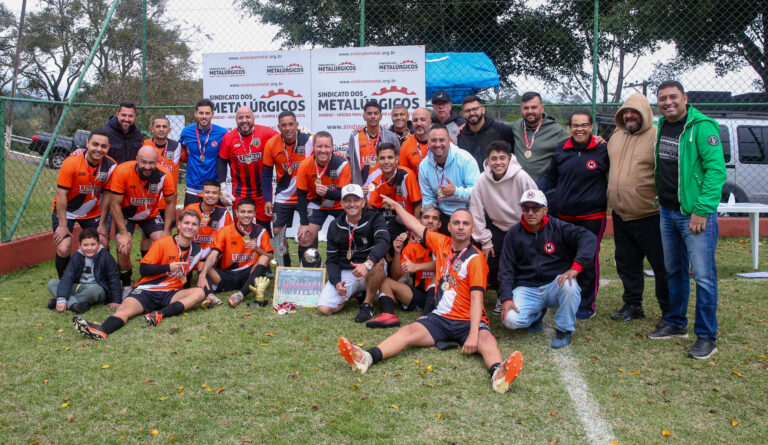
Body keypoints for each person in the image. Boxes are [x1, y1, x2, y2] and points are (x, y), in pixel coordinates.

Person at [338, 196, 523, 395]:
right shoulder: (441, 243)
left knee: (487, 340)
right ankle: (367, 357)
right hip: (440, 319)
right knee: (408, 332)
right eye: (456, 223)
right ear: (449, 228)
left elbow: (477, 300)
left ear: (472, 229)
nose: (461, 227)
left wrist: (473, 335)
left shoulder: (476, 259)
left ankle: (499, 375)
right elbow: (415, 226)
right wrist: (397, 208)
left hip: (468, 320)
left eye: (466, 224)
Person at [646, 80, 726, 360]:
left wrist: (702, 210)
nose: (667, 102)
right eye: (662, 98)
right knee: (674, 271)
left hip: (694, 215)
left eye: (672, 97)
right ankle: (676, 322)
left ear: (685, 98)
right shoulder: (661, 127)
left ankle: (706, 336)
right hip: (667, 211)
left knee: (703, 276)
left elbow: (716, 171)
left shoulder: (703, 127)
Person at [72, 210, 206, 340]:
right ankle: (102, 330)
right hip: (147, 291)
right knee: (124, 310)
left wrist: (202, 278)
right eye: (186, 223)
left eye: (194, 224)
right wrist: (168, 267)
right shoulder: (163, 243)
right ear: (179, 225)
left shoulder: (198, 250)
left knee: (199, 293)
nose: (190, 227)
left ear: (198, 228)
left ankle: (159, 314)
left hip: (171, 294)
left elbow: (188, 274)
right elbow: (144, 269)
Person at [498, 190, 596, 349]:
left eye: (536, 208)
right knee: (510, 320)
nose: (530, 212)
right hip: (527, 287)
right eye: (525, 208)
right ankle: (536, 315)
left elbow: (588, 238)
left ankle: (564, 330)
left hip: (554, 284)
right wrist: (506, 298)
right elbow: (506, 269)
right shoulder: (513, 234)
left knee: (570, 286)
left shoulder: (559, 227)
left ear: (545, 209)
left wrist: (576, 267)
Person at [537, 112, 608, 320]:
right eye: (575, 125)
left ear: (591, 126)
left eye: (584, 125)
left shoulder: (603, 150)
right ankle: (565, 297)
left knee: (587, 258)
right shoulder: (562, 149)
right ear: (569, 127)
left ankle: (586, 304)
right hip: (564, 215)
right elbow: (551, 176)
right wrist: (537, 192)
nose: (579, 129)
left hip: (592, 216)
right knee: (564, 259)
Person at [607, 94, 670, 324]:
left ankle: (669, 311)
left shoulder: (657, 136)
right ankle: (633, 305)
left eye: (635, 112)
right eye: (625, 112)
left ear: (645, 113)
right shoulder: (617, 136)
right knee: (627, 263)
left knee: (661, 266)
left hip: (649, 215)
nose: (630, 116)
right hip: (621, 214)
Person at [469, 140, 537, 312]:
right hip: (497, 227)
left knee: (523, 262)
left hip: (522, 226)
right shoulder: (482, 180)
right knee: (490, 259)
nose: (498, 162)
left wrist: (533, 229)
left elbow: (535, 201)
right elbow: (476, 210)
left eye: (502, 158)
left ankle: (525, 296)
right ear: (488, 161)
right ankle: (502, 295)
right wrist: (485, 239)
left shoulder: (521, 176)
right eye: (494, 158)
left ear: (509, 159)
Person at [108, 146, 177, 297]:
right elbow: (114, 204)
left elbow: (171, 202)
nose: (147, 167)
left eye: (152, 163)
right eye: (144, 162)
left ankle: (154, 276)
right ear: (137, 159)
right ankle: (126, 284)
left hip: (150, 214)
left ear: (157, 161)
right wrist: (124, 233)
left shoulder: (164, 174)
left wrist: (166, 231)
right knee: (123, 247)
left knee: (165, 243)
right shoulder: (122, 171)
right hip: (127, 215)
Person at [316, 184, 389, 322]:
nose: (352, 204)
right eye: (347, 200)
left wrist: (367, 264)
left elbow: (383, 242)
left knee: (379, 261)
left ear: (363, 202)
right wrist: (337, 282)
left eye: (356, 200)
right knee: (324, 308)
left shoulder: (375, 218)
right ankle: (356, 293)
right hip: (349, 271)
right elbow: (331, 259)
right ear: (342, 203)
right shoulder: (335, 225)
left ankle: (368, 303)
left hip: (371, 268)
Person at [51, 129, 115, 277]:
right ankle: (66, 282)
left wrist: (103, 223)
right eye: (95, 144)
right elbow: (61, 195)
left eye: (103, 146)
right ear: (87, 143)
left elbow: (107, 197)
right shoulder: (71, 162)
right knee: (63, 248)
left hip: (92, 212)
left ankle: (101, 278)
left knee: (103, 243)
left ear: (108, 147)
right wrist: (62, 225)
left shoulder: (111, 166)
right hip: (66, 211)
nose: (99, 149)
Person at [365, 205, 440, 328]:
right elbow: (396, 276)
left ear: (440, 224)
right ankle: (387, 315)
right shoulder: (412, 246)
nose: (430, 221)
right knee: (386, 282)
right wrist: (398, 252)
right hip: (421, 295)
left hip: (442, 296)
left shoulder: (446, 242)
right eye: (426, 217)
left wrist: (416, 267)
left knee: (437, 274)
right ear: (419, 221)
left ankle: (427, 315)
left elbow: (442, 265)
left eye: (434, 218)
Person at [197, 198, 273, 308]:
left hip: (248, 276)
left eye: (250, 212)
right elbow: (213, 255)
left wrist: (258, 250)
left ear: (255, 214)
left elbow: (270, 258)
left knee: (264, 258)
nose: (246, 215)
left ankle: (240, 295)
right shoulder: (225, 231)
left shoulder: (261, 231)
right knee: (201, 265)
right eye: (243, 212)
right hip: (227, 275)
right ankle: (210, 297)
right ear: (237, 213)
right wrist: (202, 275)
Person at [262, 110, 314, 266]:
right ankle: (284, 265)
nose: (288, 128)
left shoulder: (309, 140)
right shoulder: (271, 144)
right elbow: (265, 174)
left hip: (306, 195)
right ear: (279, 127)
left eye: (291, 124)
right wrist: (267, 200)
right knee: (277, 233)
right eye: (284, 125)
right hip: (283, 196)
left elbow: (325, 152)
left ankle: (307, 265)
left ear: (297, 125)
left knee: (307, 233)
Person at [218, 106, 279, 232]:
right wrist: (222, 187)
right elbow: (222, 161)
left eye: (247, 117)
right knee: (240, 227)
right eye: (240, 117)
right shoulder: (229, 137)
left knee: (265, 228)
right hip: (240, 191)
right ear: (236, 120)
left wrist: (300, 132)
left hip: (262, 191)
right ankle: (241, 251)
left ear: (253, 118)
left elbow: (284, 138)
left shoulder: (266, 132)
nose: (244, 120)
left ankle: (264, 251)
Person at [296, 131, 352, 267]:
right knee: (305, 236)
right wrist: (303, 224)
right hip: (316, 204)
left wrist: (328, 192)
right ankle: (312, 265)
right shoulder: (305, 165)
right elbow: (301, 197)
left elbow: (344, 194)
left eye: (326, 147)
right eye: (319, 147)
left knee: (347, 236)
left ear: (332, 147)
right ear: (314, 147)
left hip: (339, 204)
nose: (323, 150)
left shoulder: (342, 164)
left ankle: (347, 265)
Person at [418, 125, 480, 232]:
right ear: (428, 142)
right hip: (442, 214)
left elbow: (478, 194)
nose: (438, 144)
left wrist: (456, 191)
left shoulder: (466, 160)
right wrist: (430, 222)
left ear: (449, 141)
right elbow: (428, 198)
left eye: (442, 140)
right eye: (433, 140)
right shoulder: (424, 165)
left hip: (467, 213)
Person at [47, 228, 121, 314]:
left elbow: (114, 278)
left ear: (99, 244)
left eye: (93, 244)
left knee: (94, 290)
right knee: (52, 283)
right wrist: (61, 297)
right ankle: (73, 305)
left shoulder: (105, 256)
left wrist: (116, 300)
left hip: (96, 287)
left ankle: (65, 302)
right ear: (79, 245)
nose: (89, 248)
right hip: (79, 287)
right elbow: (68, 276)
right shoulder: (76, 257)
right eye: (85, 245)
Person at [141, 116, 185, 259]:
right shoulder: (144, 144)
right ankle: (145, 262)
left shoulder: (177, 146)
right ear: (152, 129)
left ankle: (164, 261)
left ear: (169, 130)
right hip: (149, 198)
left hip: (168, 200)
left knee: (167, 233)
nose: (161, 129)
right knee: (146, 234)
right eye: (158, 126)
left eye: (164, 126)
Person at [366, 142, 422, 242]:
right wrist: (364, 197)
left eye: (390, 157)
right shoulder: (376, 182)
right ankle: (385, 256)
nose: (386, 161)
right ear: (377, 161)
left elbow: (418, 205)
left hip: (411, 221)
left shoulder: (407, 175)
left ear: (397, 159)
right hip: (393, 222)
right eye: (382, 158)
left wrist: (415, 229)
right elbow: (372, 209)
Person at [511, 92, 570, 182]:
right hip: (518, 186)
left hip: (543, 188)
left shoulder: (556, 130)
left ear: (542, 108)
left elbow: (577, 141)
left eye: (534, 107)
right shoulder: (516, 126)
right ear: (521, 109)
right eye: (526, 108)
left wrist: (595, 139)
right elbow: (495, 126)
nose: (530, 111)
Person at [178, 99, 227, 206]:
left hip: (213, 188)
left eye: (207, 113)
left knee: (214, 222)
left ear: (212, 114)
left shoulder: (222, 133)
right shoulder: (186, 132)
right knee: (190, 221)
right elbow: (181, 151)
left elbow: (226, 157)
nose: (204, 116)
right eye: (201, 113)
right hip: (193, 187)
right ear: (195, 113)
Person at [347, 100, 401, 186]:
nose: (373, 116)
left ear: (381, 116)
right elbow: (349, 162)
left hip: (384, 184)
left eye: (376, 113)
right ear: (364, 116)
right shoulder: (355, 137)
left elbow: (398, 161)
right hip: (362, 186)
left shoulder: (391, 137)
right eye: (369, 113)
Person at [457, 95, 516, 170]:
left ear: (483, 110)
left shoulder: (501, 129)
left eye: (475, 109)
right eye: (467, 111)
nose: (471, 113)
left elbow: (512, 155)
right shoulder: (461, 135)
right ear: (463, 114)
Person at [184, 180, 233, 264]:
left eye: (214, 193)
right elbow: (180, 232)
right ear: (202, 194)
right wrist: (194, 227)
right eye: (207, 192)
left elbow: (229, 239)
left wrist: (217, 257)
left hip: (211, 255)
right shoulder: (190, 209)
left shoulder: (224, 213)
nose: (210, 195)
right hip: (192, 252)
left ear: (219, 195)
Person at [97, 101, 144, 165]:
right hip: (111, 173)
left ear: (134, 117)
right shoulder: (103, 133)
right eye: (123, 115)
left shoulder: (138, 134)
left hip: (131, 173)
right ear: (117, 114)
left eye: (130, 116)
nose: (126, 119)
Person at [398, 107, 431, 175]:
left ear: (430, 122)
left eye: (423, 119)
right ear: (412, 123)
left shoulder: (442, 140)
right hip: (415, 184)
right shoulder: (406, 145)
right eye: (415, 120)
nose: (419, 123)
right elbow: (404, 174)